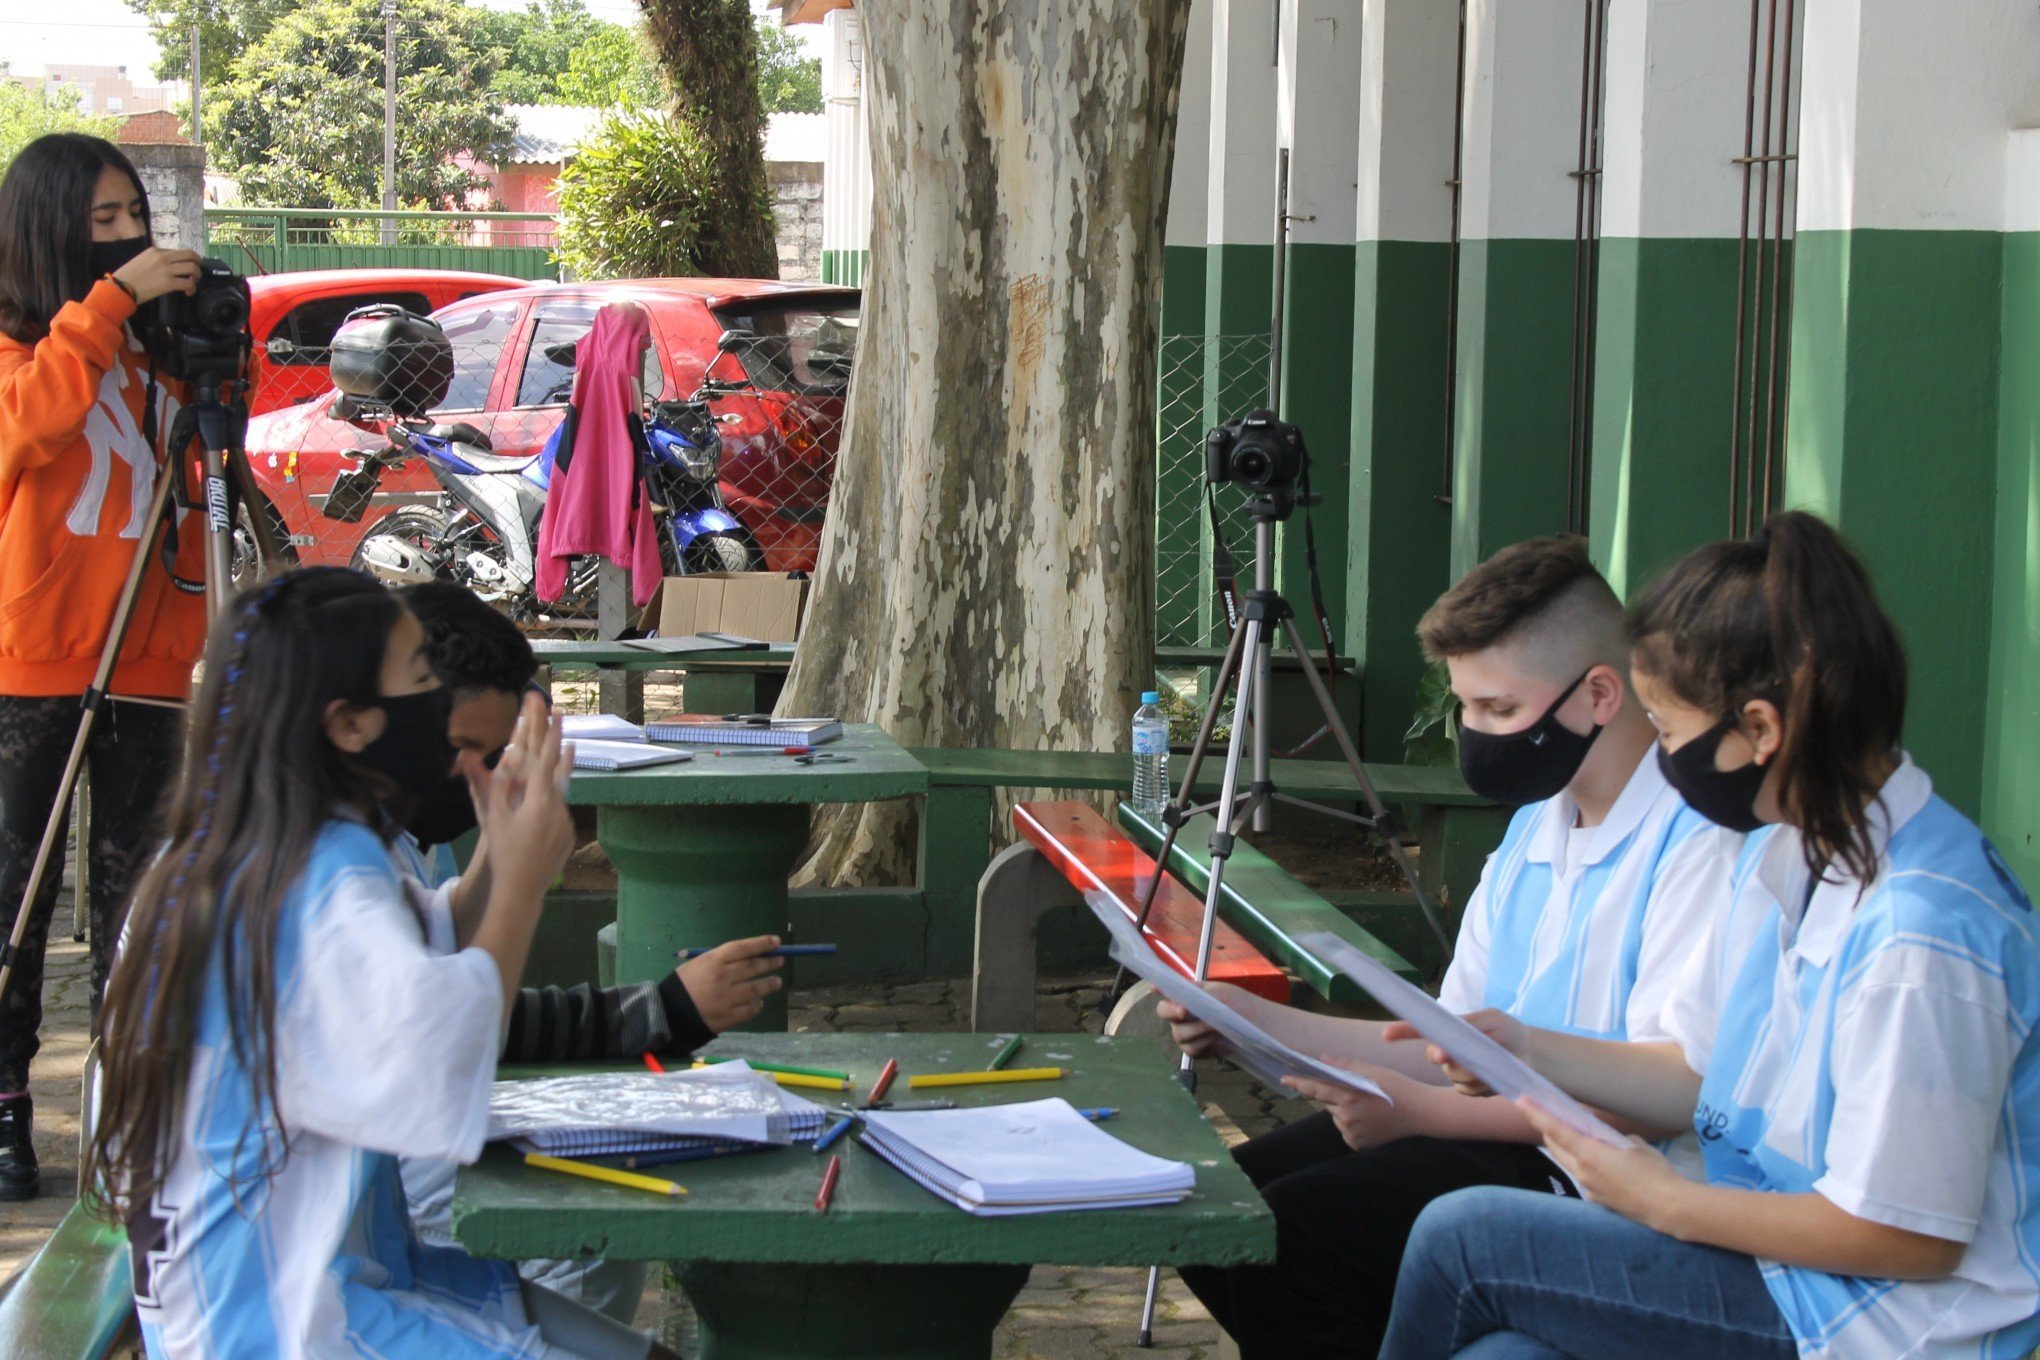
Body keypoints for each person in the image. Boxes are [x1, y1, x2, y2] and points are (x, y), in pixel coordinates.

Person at [1379, 511, 2040, 1360]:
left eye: (1668, 731)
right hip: (1778, 1267)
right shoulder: (1794, 854)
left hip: (1876, 1322)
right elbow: (1701, 1087)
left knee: (1463, 1237)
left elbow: (1910, 1238)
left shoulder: (1924, 935)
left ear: (1761, 729)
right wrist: (1521, 1050)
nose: (1659, 759)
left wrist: (1663, 1201)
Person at [1160, 535, 1745, 1355]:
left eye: (1499, 710)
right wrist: (1252, 1021)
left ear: (1600, 695)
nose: (1475, 733)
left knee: (1292, 1234)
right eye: (1464, 706)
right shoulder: (1535, 828)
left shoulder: (1697, 844)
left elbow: (1658, 1101)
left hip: (1603, 1181)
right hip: (1491, 1130)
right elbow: (1446, 1040)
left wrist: (1420, 1113)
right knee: (1222, 1206)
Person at [85, 568, 680, 1360]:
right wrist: (524, 887)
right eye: (423, 678)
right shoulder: (314, 882)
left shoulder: (265, 845)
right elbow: (434, 1068)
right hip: (287, 1321)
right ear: (351, 724)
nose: (440, 701)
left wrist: (497, 860)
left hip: (300, 1280)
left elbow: (419, 942)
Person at [393, 580, 785, 1324]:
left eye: (495, 752)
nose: (478, 774)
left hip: (364, 1195)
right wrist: (522, 880)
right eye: (464, 751)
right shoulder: (326, 865)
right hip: (328, 1259)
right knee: (586, 1222)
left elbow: (452, 975)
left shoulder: (388, 838)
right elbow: (463, 1033)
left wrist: (502, 859)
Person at [0, 132, 217, 1200]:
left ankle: (128, 1098)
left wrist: (216, 354)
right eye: (104, 223)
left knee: (140, 896)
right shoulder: (26, 346)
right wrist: (105, 308)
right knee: (15, 899)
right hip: (30, 666)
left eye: (137, 216)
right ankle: (4, 1106)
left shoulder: (148, 347)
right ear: (47, 230)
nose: (132, 237)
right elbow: (27, 431)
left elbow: (205, 466)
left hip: (155, 658)